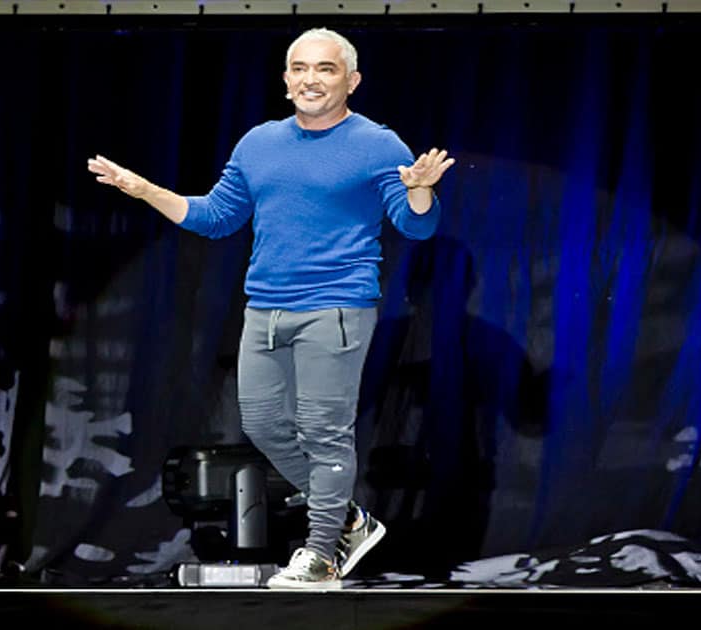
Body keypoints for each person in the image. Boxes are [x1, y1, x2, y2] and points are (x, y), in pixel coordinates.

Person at [88, 27, 454, 589]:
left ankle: (322, 553)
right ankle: (350, 521)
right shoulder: (259, 143)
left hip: (336, 305)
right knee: (261, 424)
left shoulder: (378, 145)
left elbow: (415, 225)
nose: (311, 79)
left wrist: (421, 190)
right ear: (286, 80)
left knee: (324, 431)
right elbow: (215, 217)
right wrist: (144, 190)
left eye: (326, 70)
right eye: (300, 69)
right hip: (266, 308)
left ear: (351, 81)